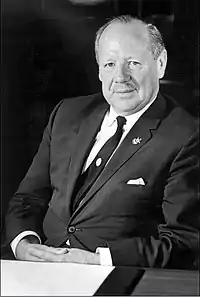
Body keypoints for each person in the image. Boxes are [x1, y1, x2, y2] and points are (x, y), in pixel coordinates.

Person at [5, 15, 199, 268]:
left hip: (119, 279)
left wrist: (99, 260)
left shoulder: (186, 136)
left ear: (160, 64)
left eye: (133, 63)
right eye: (109, 64)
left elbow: (185, 242)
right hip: (37, 269)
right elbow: (28, 198)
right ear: (98, 69)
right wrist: (24, 244)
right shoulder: (67, 114)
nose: (120, 76)